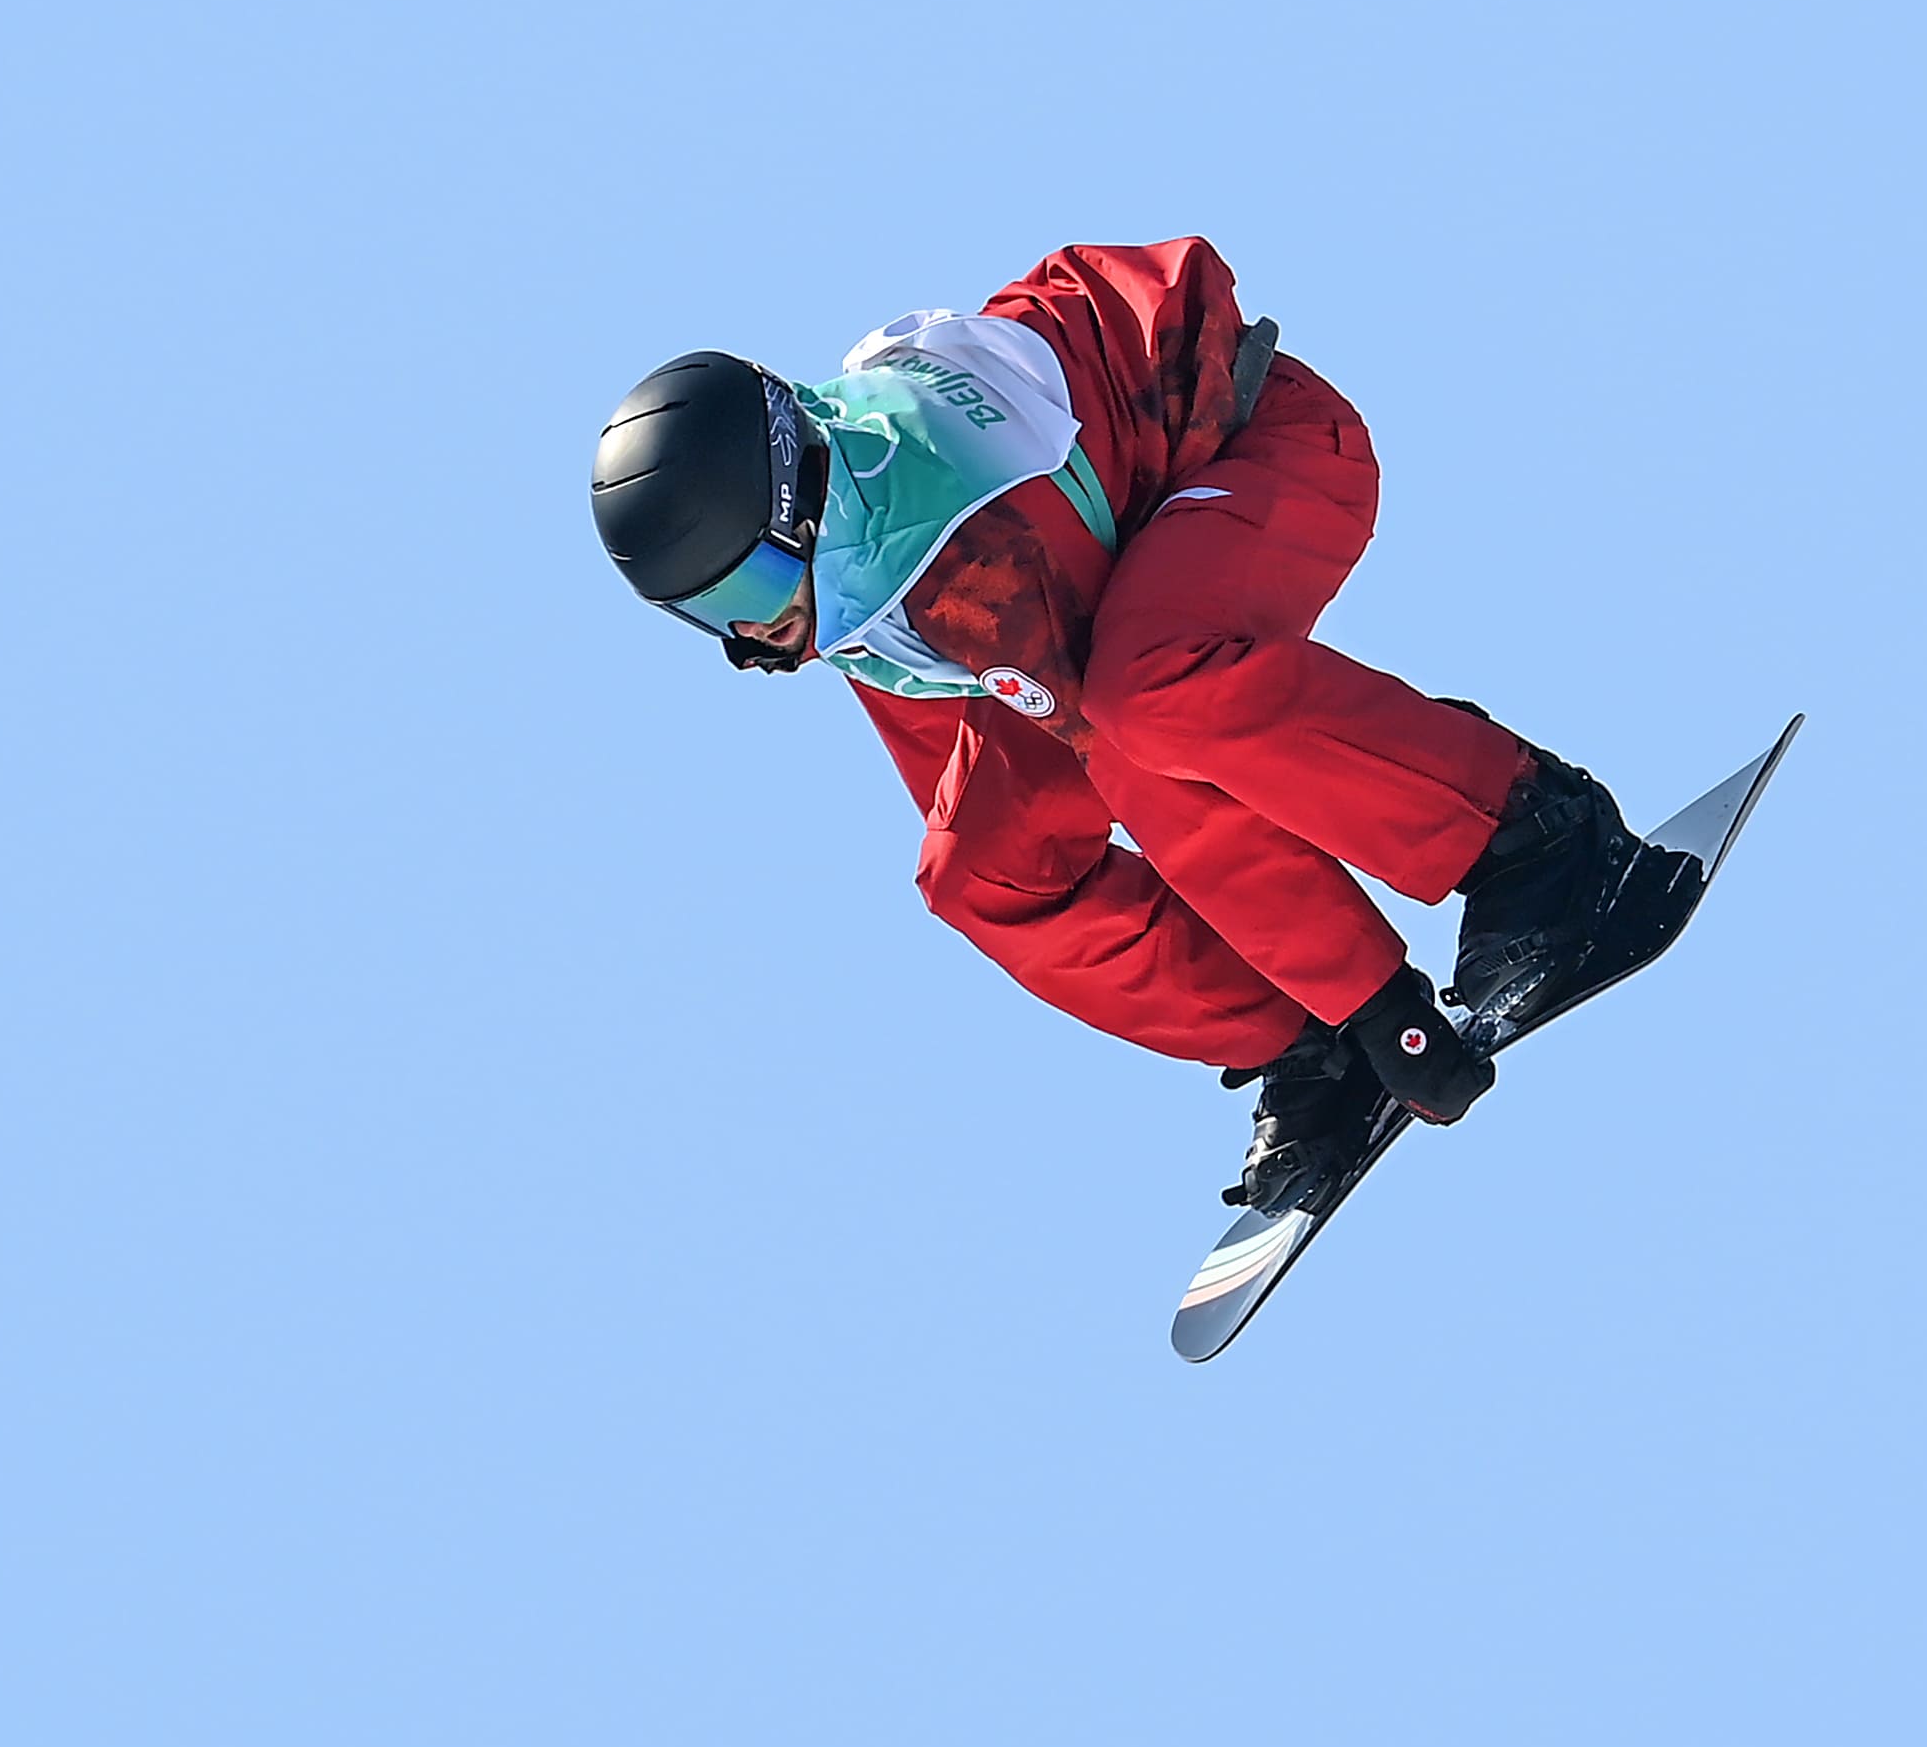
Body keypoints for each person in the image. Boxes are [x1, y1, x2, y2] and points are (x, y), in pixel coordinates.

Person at [590, 239, 1641, 1207]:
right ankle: (1299, 1041)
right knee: (982, 872)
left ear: (801, 498)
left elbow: (1140, 765)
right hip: (1110, 585)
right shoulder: (855, 593)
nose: (758, 628)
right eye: (709, 614)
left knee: (1152, 694)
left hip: (1261, 454)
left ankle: (1532, 833)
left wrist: (1379, 1000)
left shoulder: (953, 530)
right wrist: (1341, 1016)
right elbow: (981, 770)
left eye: (756, 577)